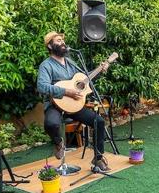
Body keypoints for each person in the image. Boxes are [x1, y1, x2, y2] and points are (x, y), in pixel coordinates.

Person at [37, 31, 110, 171]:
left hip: (74, 105)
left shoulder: (71, 63)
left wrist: (100, 71)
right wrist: (66, 91)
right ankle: (58, 143)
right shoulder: (46, 65)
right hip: (55, 105)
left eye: (62, 40)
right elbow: (42, 86)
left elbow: (84, 82)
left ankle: (98, 158)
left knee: (98, 122)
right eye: (58, 41)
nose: (62, 43)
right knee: (51, 124)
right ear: (50, 46)